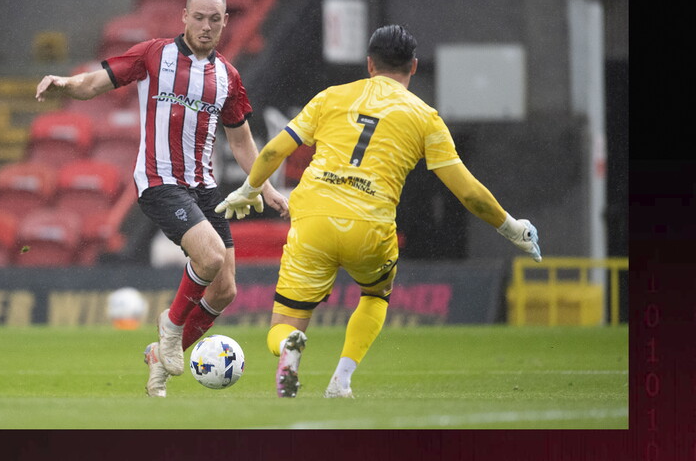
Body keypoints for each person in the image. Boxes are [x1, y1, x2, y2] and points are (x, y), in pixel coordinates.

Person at [215, 24, 542, 398]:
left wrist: (250, 188)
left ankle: (290, 345)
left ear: (369, 64)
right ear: (414, 67)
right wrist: (511, 227)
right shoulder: (425, 117)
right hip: (370, 227)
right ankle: (341, 380)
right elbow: (470, 193)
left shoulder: (332, 97)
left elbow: (273, 151)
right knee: (374, 296)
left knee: (283, 323)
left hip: (313, 220)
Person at [35, 0, 289, 397]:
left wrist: (263, 185)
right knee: (209, 257)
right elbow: (95, 83)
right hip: (159, 181)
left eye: (215, 19)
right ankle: (170, 328)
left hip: (205, 189)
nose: (206, 26)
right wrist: (65, 83)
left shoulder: (228, 76)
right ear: (183, 18)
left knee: (225, 290)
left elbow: (241, 141)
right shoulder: (154, 54)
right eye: (199, 17)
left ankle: (160, 361)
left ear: (225, 23)